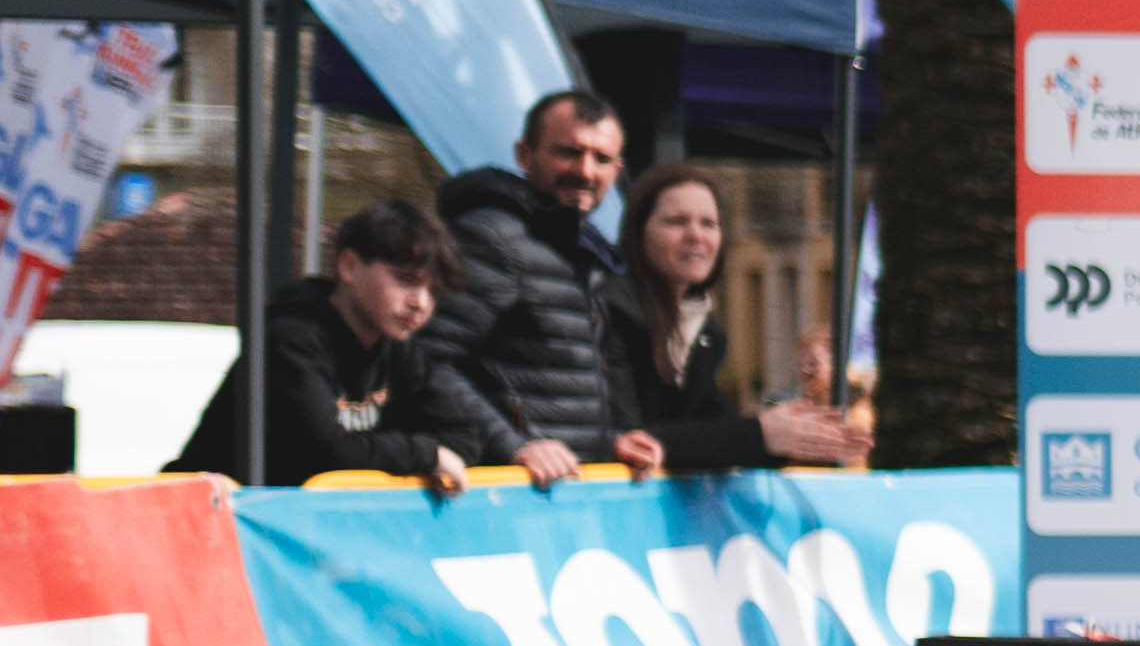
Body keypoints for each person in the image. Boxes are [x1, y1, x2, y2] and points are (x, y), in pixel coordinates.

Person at [175, 197, 554, 491]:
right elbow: (323, 451)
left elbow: (464, 438)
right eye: (405, 280)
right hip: (211, 528)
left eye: (432, 291)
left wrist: (420, 454)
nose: (421, 303)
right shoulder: (291, 339)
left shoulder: (400, 349)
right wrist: (425, 454)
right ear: (349, 266)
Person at [427, 87, 655, 463]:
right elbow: (427, 361)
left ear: (617, 171)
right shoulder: (491, 236)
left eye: (601, 158)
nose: (585, 171)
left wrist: (609, 442)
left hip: (562, 484)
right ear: (525, 154)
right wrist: (512, 445)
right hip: (502, 486)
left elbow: (559, 384)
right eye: (569, 152)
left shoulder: (589, 252)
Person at [598, 164, 873, 468]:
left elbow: (706, 432)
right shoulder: (608, 312)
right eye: (677, 221)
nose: (695, 235)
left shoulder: (704, 331)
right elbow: (630, 437)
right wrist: (762, 434)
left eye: (709, 223)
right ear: (639, 231)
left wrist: (787, 439)